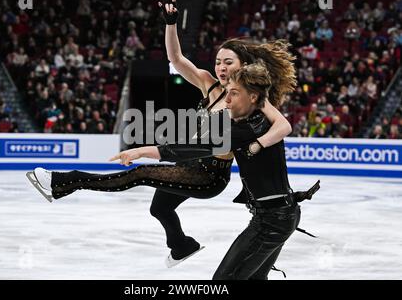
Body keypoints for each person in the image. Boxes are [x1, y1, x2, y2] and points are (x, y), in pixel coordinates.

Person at [27, 0, 312, 268]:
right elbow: (176, 59)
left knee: (139, 173)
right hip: (188, 161)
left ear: (243, 65)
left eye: (229, 62)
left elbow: (282, 124)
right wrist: (170, 24)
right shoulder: (208, 84)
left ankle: (62, 182)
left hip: (209, 174)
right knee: (159, 208)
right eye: (218, 61)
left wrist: (258, 143)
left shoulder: (250, 99)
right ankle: (181, 245)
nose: (221, 67)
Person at [114, 62, 319, 280]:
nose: (227, 100)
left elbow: (188, 150)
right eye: (227, 93)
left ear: (252, 98)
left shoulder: (247, 128)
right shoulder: (257, 122)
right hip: (280, 214)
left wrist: (141, 151)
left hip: (272, 221)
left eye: (234, 93)